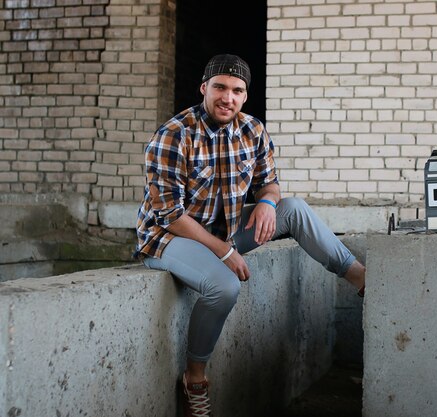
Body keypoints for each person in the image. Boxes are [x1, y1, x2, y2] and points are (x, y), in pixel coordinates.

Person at [134, 53, 366, 417]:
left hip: (221, 230)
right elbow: (171, 215)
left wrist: (268, 204)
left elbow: (270, 184)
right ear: (204, 89)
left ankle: (362, 279)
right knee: (224, 286)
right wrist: (225, 253)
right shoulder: (174, 135)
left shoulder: (252, 130)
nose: (228, 97)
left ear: (245, 95)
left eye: (237, 90)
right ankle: (195, 378)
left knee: (294, 208)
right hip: (167, 238)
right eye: (220, 88)